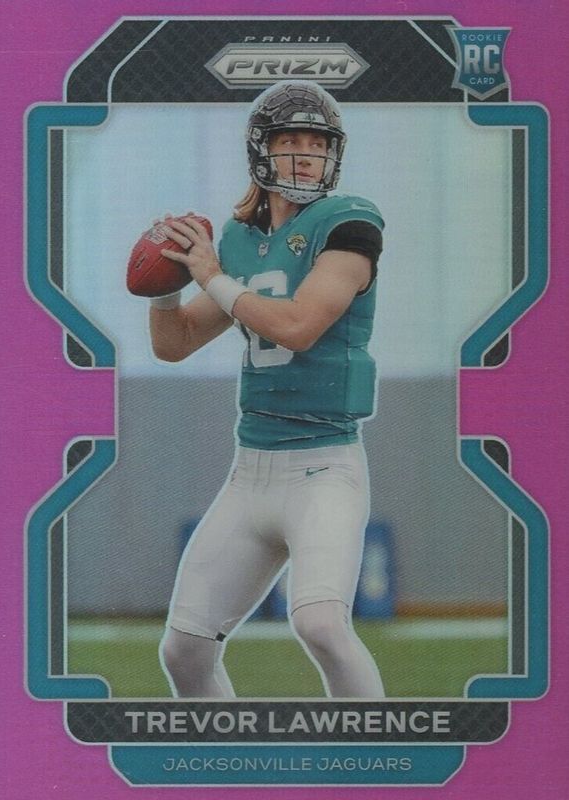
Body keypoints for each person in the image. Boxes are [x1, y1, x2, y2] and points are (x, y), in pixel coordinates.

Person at [151, 80, 386, 699]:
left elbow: (300, 327)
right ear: (262, 149)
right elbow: (174, 343)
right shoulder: (238, 241)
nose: (306, 155)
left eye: (318, 143)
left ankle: (382, 756)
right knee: (183, 650)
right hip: (250, 471)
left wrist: (212, 277)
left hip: (324, 468)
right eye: (291, 140)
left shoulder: (350, 223)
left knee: (321, 624)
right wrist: (166, 284)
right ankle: (226, 756)